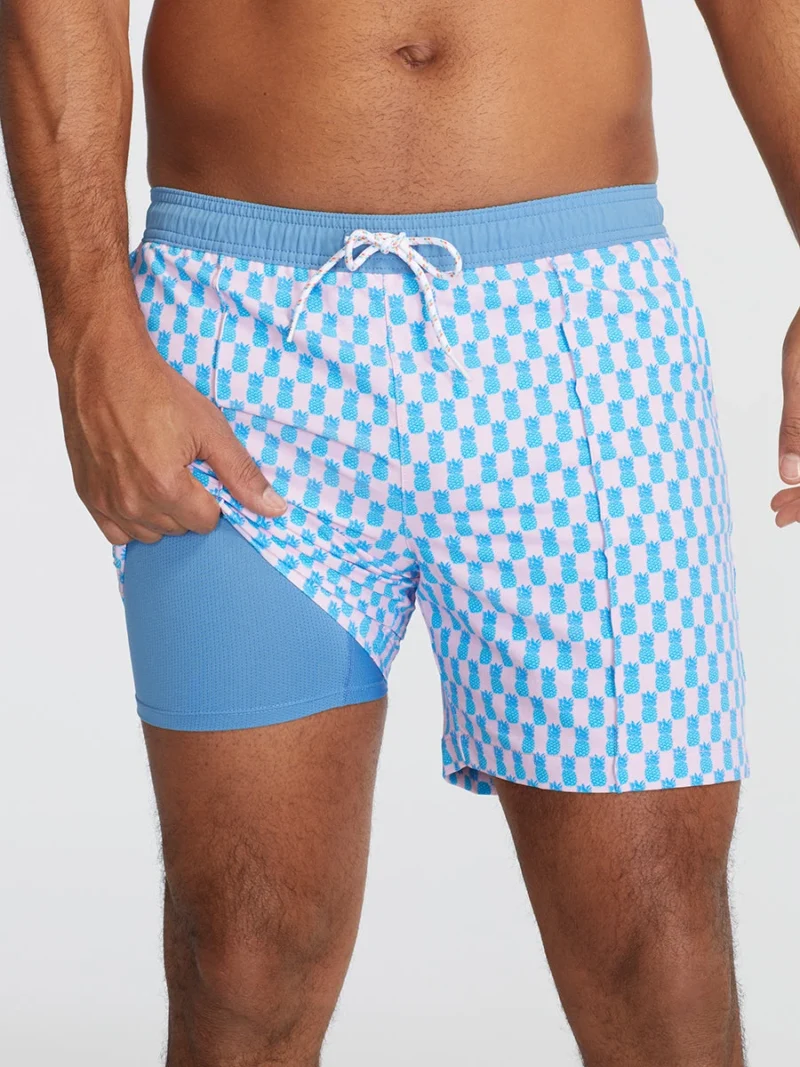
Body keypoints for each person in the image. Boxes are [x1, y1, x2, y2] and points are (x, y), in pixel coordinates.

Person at [3, 2, 797, 1064]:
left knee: (655, 947)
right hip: (235, 334)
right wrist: (90, 330)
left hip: (579, 335)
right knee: (242, 954)